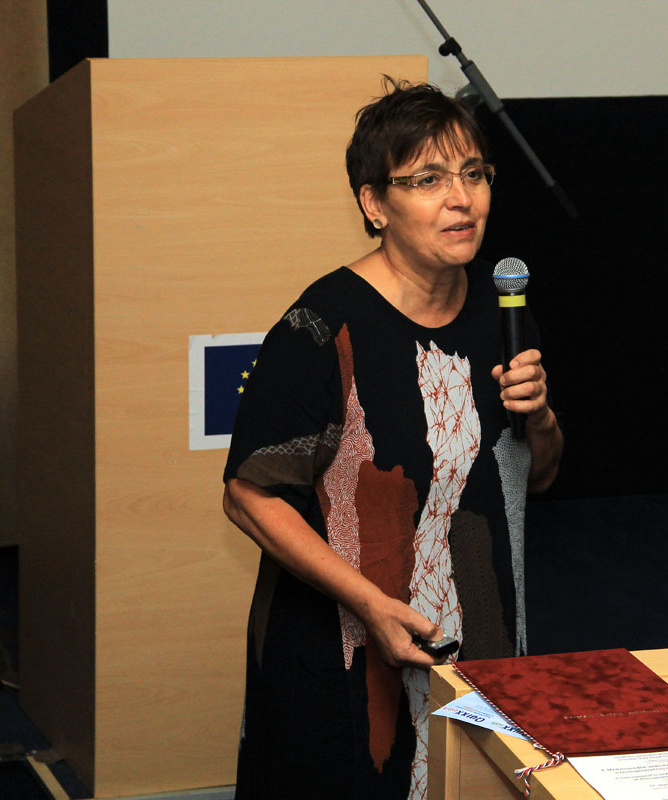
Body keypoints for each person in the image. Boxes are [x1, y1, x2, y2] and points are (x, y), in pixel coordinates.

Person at [222, 78, 563, 800]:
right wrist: (370, 604)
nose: (461, 199)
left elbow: (535, 478)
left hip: (480, 639)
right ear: (374, 204)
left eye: (473, 174)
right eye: (429, 180)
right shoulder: (321, 327)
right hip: (343, 653)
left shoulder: (503, 310)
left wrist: (539, 418)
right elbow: (249, 495)